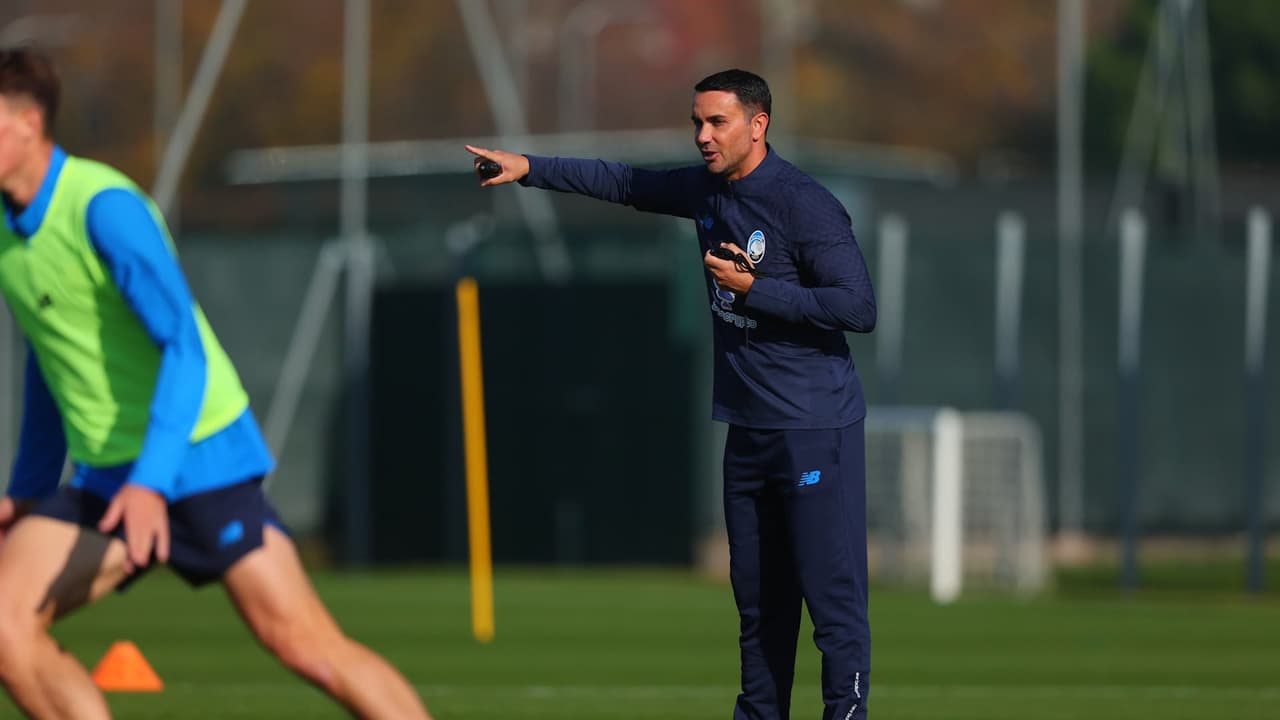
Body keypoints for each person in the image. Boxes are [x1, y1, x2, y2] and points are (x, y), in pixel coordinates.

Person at [0, 48, 431, 720]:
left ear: (28, 123)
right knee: (5, 625)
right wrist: (26, 492)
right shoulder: (7, 230)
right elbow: (50, 360)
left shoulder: (103, 208)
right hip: (110, 478)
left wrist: (152, 480)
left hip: (199, 458)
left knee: (304, 645)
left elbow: (186, 349)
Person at [468, 68, 877, 720]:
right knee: (758, 608)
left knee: (831, 602)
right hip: (747, 430)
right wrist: (528, 167)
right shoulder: (705, 190)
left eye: (717, 122)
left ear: (757, 124)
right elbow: (625, 183)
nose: (703, 136)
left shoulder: (805, 204)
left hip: (813, 428)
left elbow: (858, 307)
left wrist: (756, 291)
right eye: (697, 123)